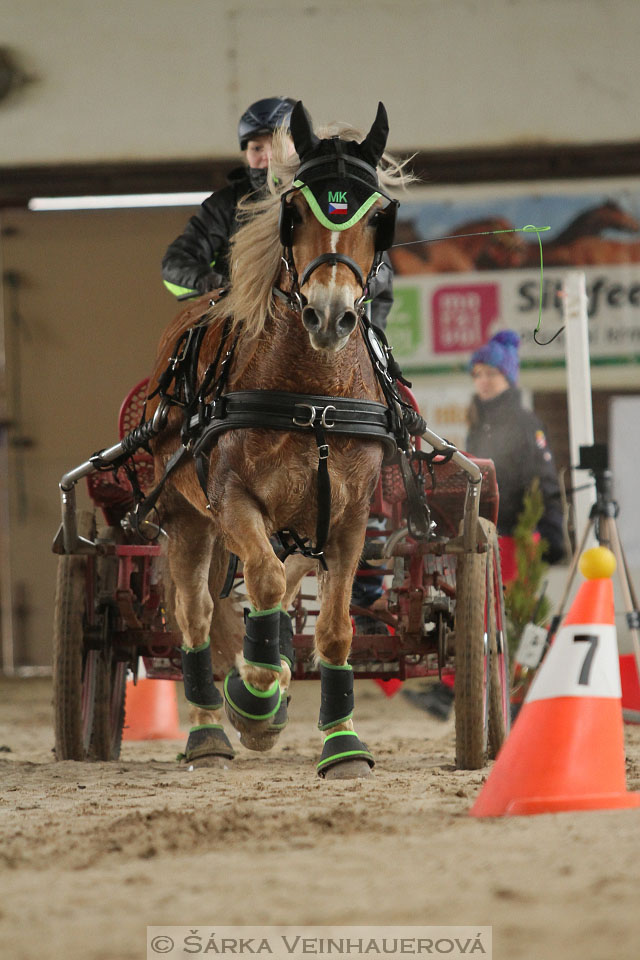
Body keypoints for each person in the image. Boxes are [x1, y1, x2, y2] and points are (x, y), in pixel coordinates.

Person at [404, 328, 564, 719]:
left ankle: (518, 696)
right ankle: (454, 689)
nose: (483, 381)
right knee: (476, 613)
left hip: (518, 536)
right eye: (477, 374)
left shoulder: (525, 423)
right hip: (486, 533)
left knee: (516, 619)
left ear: (508, 377)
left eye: (491, 373)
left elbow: (544, 481)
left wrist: (553, 531)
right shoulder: (480, 421)